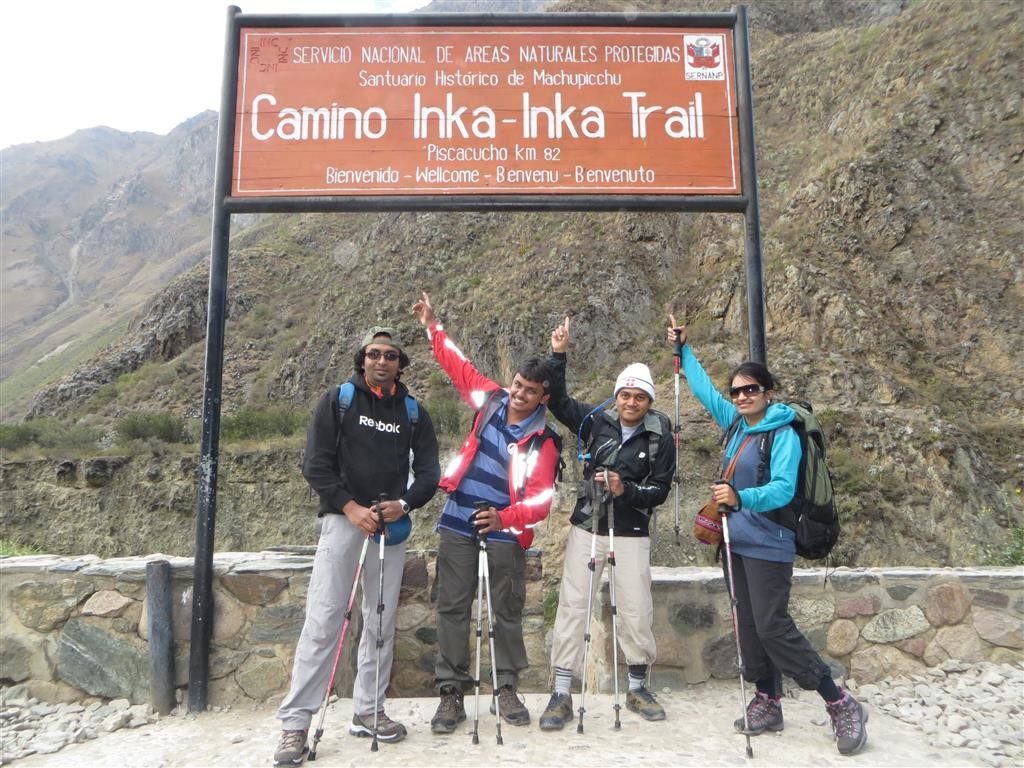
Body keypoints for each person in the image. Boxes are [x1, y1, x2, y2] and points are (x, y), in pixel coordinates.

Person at [666, 314, 868, 756]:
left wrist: (739, 498)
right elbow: (703, 391)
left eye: (749, 390)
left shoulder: (781, 433)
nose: (740, 397)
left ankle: (840, 702)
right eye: (737, 391)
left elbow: (783, 488)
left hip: (769, 543)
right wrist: (683, 351)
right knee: (749, 626)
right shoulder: (737, 425)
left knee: (774, 626)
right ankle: (767, 699)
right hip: (734, 542)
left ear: (767, 393)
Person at [274, 327, 441, 766]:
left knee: (381, 620)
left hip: (390, 528)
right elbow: (316, 464)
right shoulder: (338, 401)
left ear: (401, 364)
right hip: (344, 522)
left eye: (390, 355)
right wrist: (350, 508)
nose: (381, 361)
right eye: (373, 354)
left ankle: (368, 710)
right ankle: (295, 724)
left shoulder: (414, 413)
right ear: (362, 359)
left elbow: (428, 474)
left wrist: (402, 505)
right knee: (325, 617)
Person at [411, 292, 562, 733]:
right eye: (517, 384)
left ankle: (506, 688)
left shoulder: (544, 442)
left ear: (542, 398)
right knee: (453, 607)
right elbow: (458, 366)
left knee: (505, 609)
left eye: (529, 391)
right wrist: (433, 327)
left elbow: (540, 503)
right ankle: (450, 694)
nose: (518, 393)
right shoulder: (491, 399)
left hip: (504, 532)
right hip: (459, 518)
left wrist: (505, 519)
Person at [538, 316, 676, 730]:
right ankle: (561, 692)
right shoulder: (595, 421)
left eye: (639, 397)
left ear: (649, 401)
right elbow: (558, 401)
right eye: (625, 395)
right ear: (616, 396)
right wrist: (557, 354)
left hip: (631, 530)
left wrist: (624, 490)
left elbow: (660, 491)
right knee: (574, 605)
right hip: (587, 527)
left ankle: (637, 686)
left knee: (636, 607)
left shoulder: (659, 437)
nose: (631, 402)